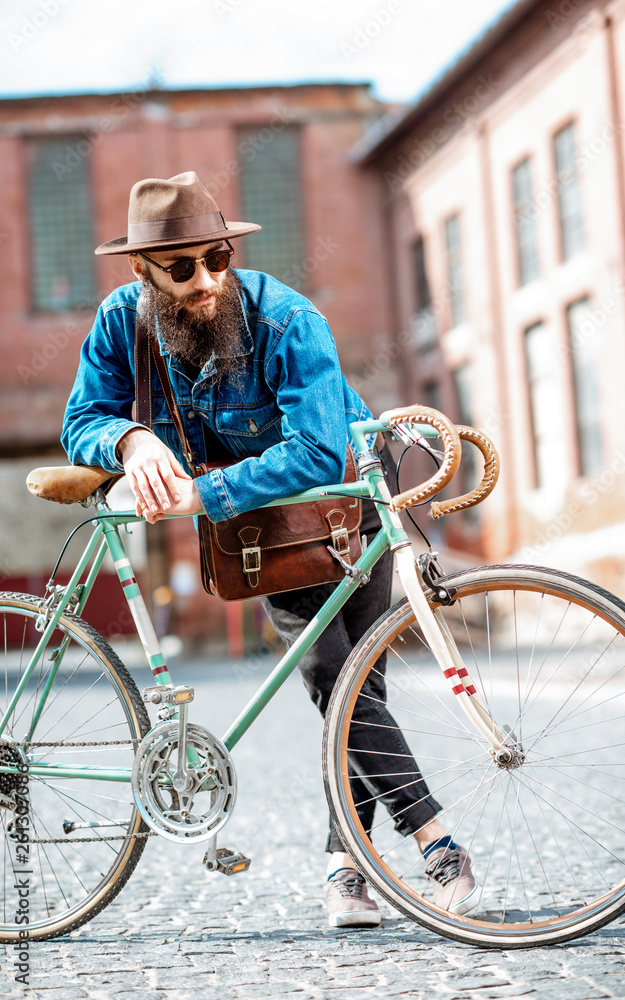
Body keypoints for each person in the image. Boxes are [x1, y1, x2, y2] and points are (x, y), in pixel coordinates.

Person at [61, 171, 480, 926]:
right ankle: (397, 852)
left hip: (344, 491)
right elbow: (81, 416)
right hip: (264, 520)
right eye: (182, 267)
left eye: (216, 257)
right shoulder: (121, 321)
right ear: (143, 271)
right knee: (337, 675)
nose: (206, 281)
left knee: (353, 682)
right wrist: (131, 438)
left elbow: (320, 449)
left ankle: (374, 860)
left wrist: (203, 495)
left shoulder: (286, 318)